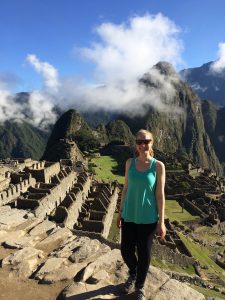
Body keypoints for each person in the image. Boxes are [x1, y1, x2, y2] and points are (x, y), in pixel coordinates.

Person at [117, 129, 166, 300]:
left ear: (152, 142)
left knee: (144, 253)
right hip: (129, 214)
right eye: (140, 142)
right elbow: (125, 188)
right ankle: (134, 272)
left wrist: (162, 221)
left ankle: (139, 286)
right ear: (136, 144)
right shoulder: (129, 163)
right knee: (126, 251)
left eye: (146, 141)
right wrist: (120, 211)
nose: (143, 145)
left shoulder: (158, 166)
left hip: (148, 217)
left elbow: (160, 195)